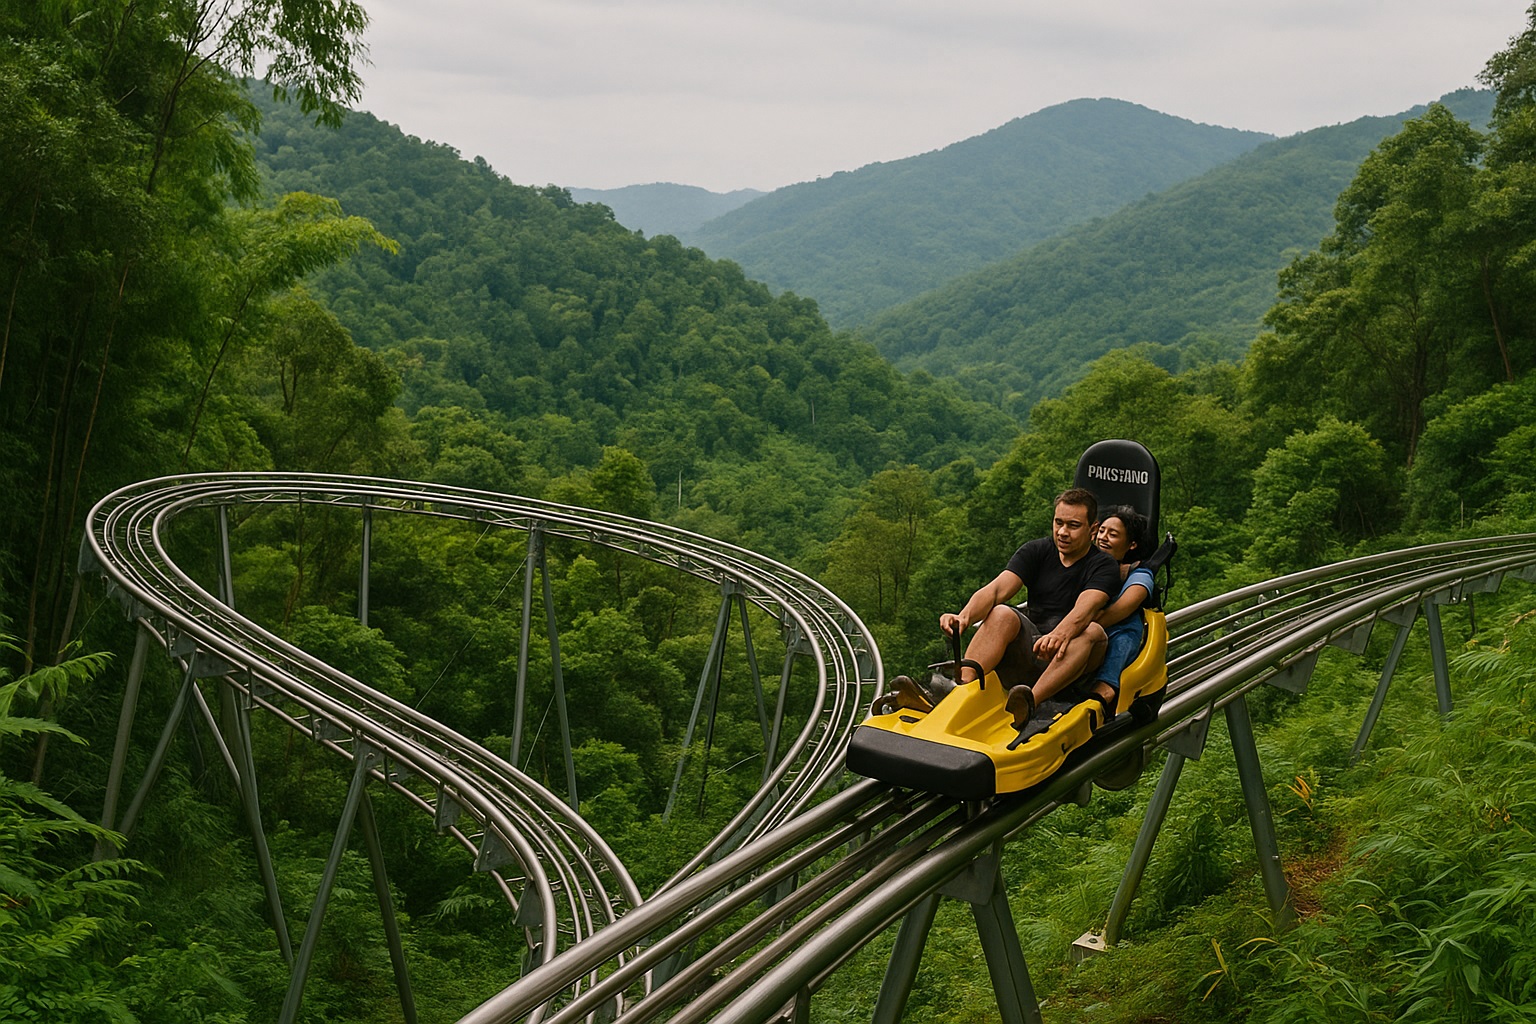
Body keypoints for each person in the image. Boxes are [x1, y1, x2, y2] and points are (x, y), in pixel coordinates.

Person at [885, 487, 1120, 728]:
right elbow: (997, 589)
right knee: (1001, 612)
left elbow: (1086, 608)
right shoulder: (1037, 550)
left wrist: (1059, 635)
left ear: (1092, 530)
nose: (1062, 532)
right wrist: (964, 617)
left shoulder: (1103, 566)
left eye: (1073, 525)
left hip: (1074, 655)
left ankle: (1030, 703)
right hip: (1032, 645)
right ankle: (961, 691)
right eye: (1058, 522)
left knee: (1091, 631)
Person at [1080, 505, 1155, 721]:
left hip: (1115, 630)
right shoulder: (1085, 562)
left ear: (1131, 544)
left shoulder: (1138, 573)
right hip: (1084, 629)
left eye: (1113, 534)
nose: (1104, 538)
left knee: (1119, 640)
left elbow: (1124, 607)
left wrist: (1077, 624)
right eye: (1102, 531)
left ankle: (1103, 694)